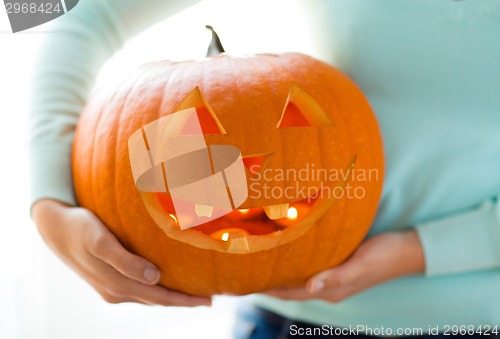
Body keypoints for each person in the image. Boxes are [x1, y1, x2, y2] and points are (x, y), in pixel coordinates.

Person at [30, 0, 500, 337]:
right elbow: (71, 10)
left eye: (295, 120)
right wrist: (49, 202)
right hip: (292, 324)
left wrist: (415, 251)